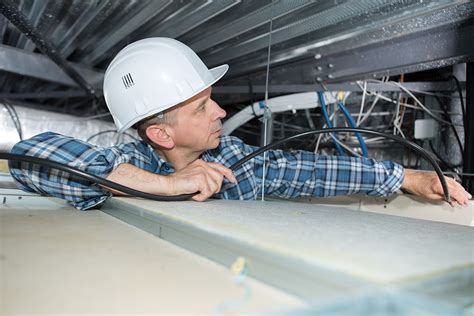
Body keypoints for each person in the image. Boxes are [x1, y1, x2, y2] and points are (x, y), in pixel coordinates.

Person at [8, 38, 471, 210]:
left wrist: (405, 176)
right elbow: (33, 155)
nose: (221, 112)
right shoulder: (127, 158)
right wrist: (165, 186)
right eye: (201, 107)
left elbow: (310, 169)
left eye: (212, 101)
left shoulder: (235, 161)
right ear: (161, 134)